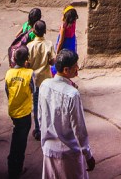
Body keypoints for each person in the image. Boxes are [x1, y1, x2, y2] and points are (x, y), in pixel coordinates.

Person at [38, 49, 95, 179]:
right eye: (75, 66)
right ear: (66, 70)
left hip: (49, 149)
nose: (78, 68)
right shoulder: (72, 94)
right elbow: (79, 129)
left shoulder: (45, 85)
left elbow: (41, 117)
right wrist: (88, 155)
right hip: (68, 153)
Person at [6, 46, 35, 179]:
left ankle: (12, 164)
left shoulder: (9, 73)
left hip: (13, 110)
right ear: (26, 59)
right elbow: (33, 90)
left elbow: (7, 90)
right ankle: (16, 168)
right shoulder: (29, 73)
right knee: (20, 141)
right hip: (24, 111)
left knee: (16, 135)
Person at [26, 19, 56, 141]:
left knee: (36, 104)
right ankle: (48, 127)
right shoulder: (48, 44)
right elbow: (53, 61)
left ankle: (38, 129)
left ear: (34, 31)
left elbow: (27, 64)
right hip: (46, 79)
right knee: (47, 104)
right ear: (45, 31)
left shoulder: (29, 46)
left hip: (35, 80)